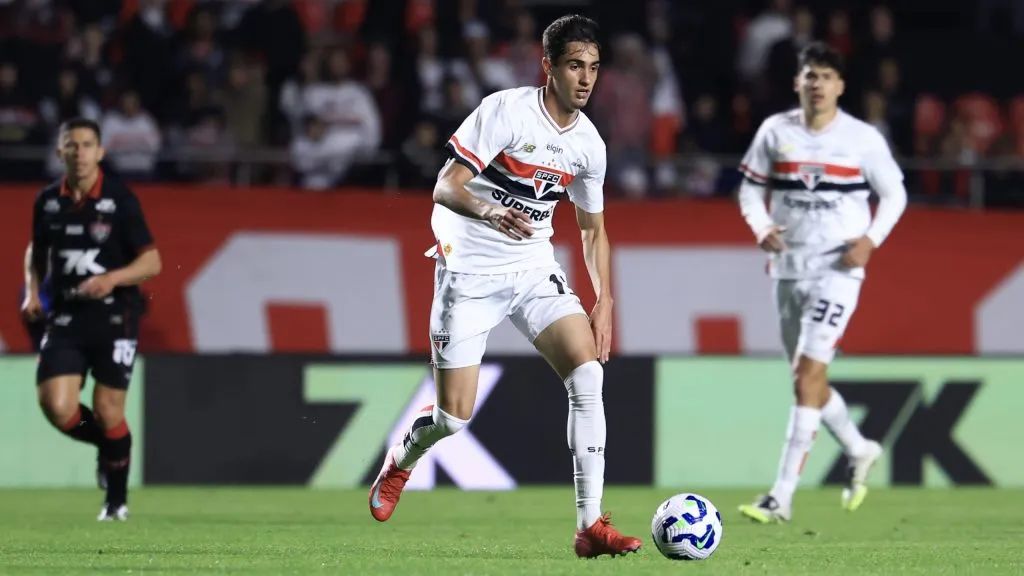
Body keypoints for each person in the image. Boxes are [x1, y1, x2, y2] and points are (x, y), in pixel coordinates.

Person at [367, 14, 642, 558]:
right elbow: (446, 187)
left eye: (593, 67)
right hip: (468, 270)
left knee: (588, 375)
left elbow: (593, 231)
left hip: (532, 267)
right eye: (573, 66)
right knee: (453, 417)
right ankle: (400, 460)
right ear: (548, 66)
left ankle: (591, 528)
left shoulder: (589, 145)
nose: (585, 79)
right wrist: (492, 212)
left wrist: (604, 301)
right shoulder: (505, 111)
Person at [735, 42, 908, 523]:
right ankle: (859, 448)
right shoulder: (776, 131)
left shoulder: (862, 139)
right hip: (789, 269)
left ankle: (781, 496)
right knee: (807, 379)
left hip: (839, 270)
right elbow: (750, 187)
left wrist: (871, 240)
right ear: (798, 83)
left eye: (826, 76)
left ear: (840, 86)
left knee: (808, 376)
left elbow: (894, 194)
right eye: (810, 75)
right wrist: (761, 226)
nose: (817, 84)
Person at [23, 117, 162, 521]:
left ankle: (115, 502)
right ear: (60, 152)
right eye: (72, 145)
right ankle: (111, 447)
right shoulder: (47, 201)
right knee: (56, 405)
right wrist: (33, 291)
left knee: (107, 409)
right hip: (65, 315)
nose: (80, 152)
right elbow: (37, 251)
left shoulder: (120, 200)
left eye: (87, 145)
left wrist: (112, 279)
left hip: (115, 314)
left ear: (100, 152)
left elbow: (152, 261)